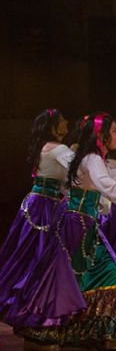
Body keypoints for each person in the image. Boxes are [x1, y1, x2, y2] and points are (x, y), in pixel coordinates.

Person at [4, 113, 116, 350]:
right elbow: (107, 185)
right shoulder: (90, 158)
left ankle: (101, 335)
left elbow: (97, 181)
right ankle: (50, 332)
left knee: (82, 277)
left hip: (79, 223)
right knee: (96, 274)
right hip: (78, 227)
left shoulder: (86, 157)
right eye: (115, 131)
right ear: (100, 135)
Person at [0, 109, 71, 318]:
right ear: (52, 127)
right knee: (41, 258)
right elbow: (80, 170)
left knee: (26, 256)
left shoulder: (44, 147)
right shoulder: (60, 149)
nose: (66, 121)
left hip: (35, 203)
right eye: (61, 120)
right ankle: (35, 310)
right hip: (45, 207)